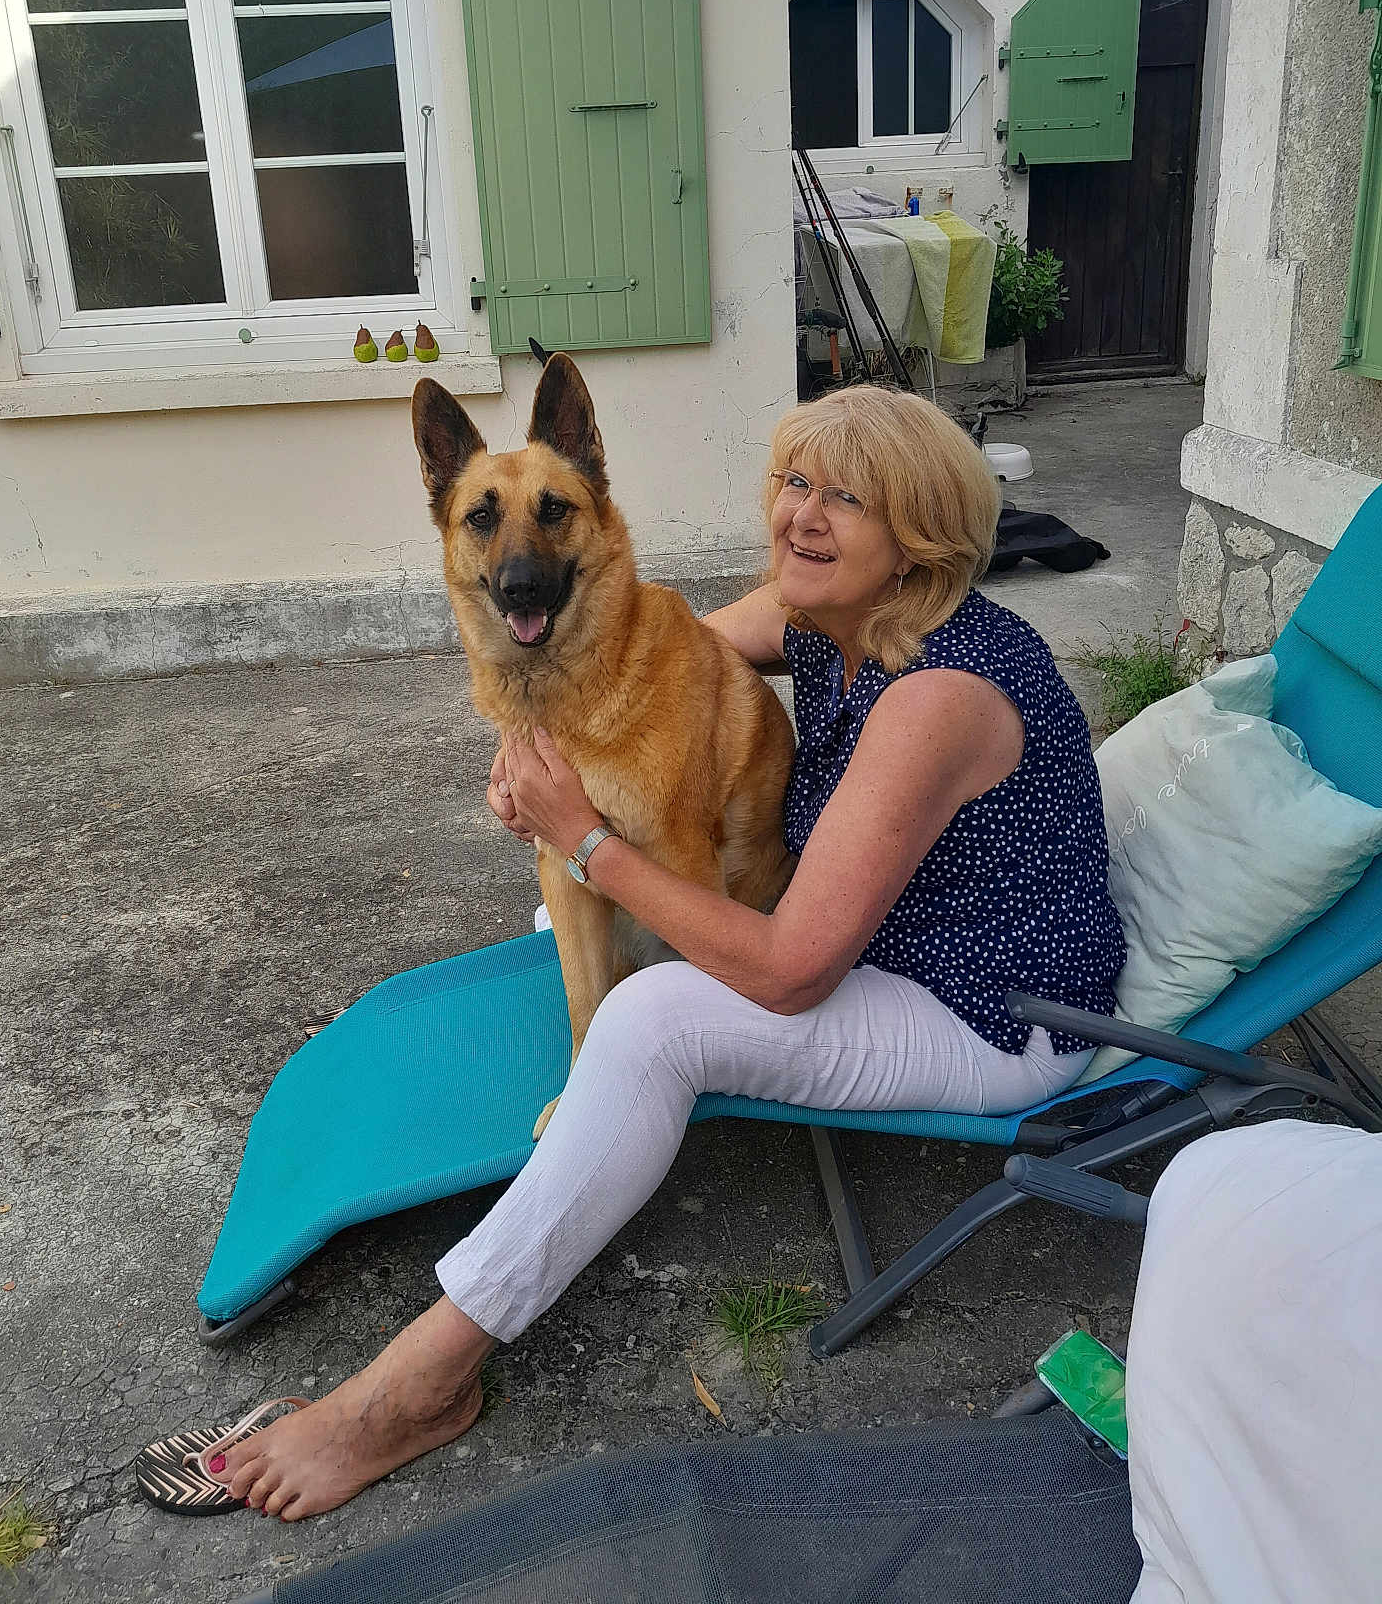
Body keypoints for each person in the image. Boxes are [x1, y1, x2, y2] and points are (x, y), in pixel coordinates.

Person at [211, 385, 1126, 1521]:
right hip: (890, 942)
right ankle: (600, 1109)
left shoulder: (939, 695)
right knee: (581, 921)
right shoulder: (829, 618)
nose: (801, 517)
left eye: (848, 498)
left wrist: (584, 832)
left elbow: (792, 972)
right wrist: (545, 719)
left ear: (921, 543)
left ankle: (419, 1383)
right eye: (796, 482)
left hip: (992, 1014)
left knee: (650, 1017)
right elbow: (660, 637)